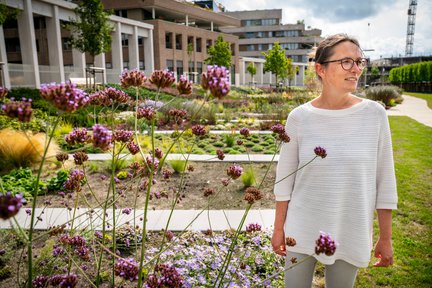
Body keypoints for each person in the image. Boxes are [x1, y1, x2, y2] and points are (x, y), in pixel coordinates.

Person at [271, 33, 398, 288]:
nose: (356, 69)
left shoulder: (375, 115)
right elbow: (284, 181)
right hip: (301, 227)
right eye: (347, 62)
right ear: (321, 69)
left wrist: (386, 237)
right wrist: (278, 229)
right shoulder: (299, 117)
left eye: (360, 61)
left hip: (351, 228)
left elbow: (385, 181)